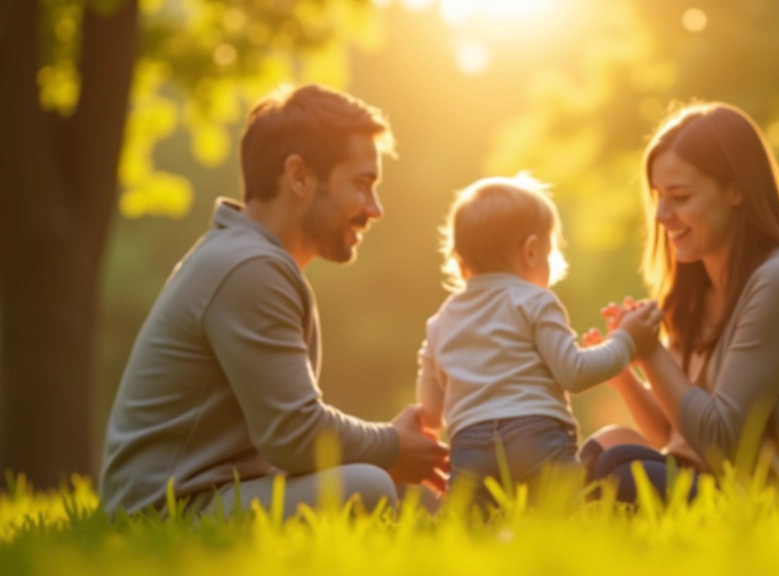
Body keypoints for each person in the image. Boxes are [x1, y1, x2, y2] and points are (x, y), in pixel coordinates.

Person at [100, 84, 448, 517]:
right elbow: (295, 434)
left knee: (365, 483)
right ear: (299, 176)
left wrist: (388, 447)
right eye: (362, 184)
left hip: (204, 498)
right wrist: (392, 447)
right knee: (366, 487)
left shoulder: (243, 258)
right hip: (166, 512)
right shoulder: (249, 268)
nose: (375, 208)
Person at [583, 102, 779, 504]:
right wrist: (628, 373)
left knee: (619, 469)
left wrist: (653, 351)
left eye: (679, 196)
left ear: (736, 189)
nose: (660, 214)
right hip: (734, 491)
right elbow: (678, 434)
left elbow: (721, 444)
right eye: (658, 196)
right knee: (605, 447)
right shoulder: (694, 293)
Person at [414, 175, 662, 507]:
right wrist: (625, 340)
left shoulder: (440, 321)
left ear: (460, 262)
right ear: (531, 251)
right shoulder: (534, 301)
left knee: (471, 529)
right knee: (564, 516)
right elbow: (574, 373)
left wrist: (429, 430)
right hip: (536, 436)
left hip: (469, 447)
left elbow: (429, 412)